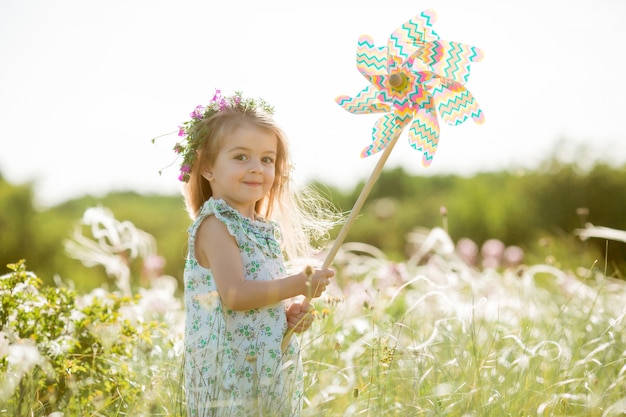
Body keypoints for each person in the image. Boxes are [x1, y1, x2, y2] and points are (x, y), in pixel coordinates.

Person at [177, 89, 337, 416]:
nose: (256, 168)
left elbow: (263, 295)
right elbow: (236, 294)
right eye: (241, 157)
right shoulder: (215, 225)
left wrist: (288, 315)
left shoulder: (264, 229)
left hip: (266, 371)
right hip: (228, 381)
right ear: (207, 166)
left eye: (267, 159)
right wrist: (299, 284)